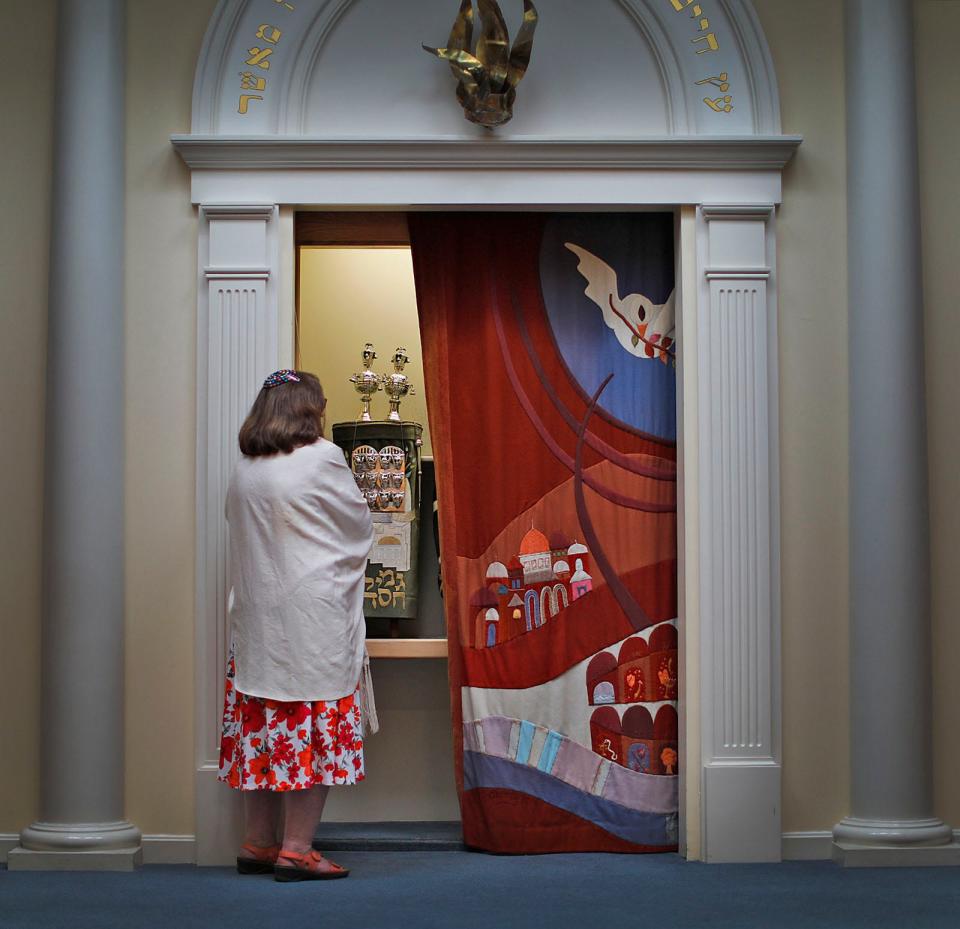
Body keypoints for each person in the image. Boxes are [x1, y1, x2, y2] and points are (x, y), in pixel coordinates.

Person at [217, 369, 374, 882]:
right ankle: (298, 849)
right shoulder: (323, 458)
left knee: (262, 726)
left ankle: (259, 844)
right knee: (311, 725)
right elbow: (359, 526)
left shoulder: (245, 469)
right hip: (311, 621)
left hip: (259, 622)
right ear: (308, 409)